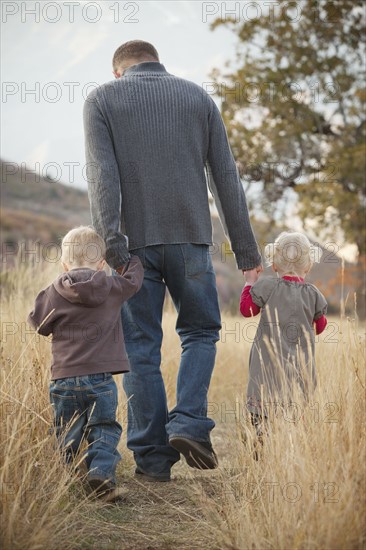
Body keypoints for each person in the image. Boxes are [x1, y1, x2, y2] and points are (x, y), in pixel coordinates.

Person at [84, 40, 262, 481]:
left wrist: (112, 245)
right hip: (192, 244)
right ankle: (190, 423)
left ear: (118, 72)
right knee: (200, 333)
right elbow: (226, 179)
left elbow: (101, 176)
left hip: (133, 249)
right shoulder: (198, 97)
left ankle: (152, 461)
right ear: (156, 62)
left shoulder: (102, 99)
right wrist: (247, 254)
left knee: (139, 347)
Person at [28, 226, 143, 500]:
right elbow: (133, 281)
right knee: (103, 426)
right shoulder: (111, 286)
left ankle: (64, 481)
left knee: (66, 429)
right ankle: (100, 473)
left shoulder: (54, 290)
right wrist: (134, 257)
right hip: (101, 379)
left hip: (64, 378)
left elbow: (38, 324)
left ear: (65, 263)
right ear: (102, 264)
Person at [240, 231, 328, 439]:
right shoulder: (313, 294)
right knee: (293, 419)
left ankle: (259, 449)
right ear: (308, 266)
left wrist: (250, 281)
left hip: (265, 370)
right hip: (299, 370)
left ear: (275, 265)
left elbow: (247, 310)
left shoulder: (267, 286)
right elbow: (320, 327)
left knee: (260, 419)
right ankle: (286, 453)